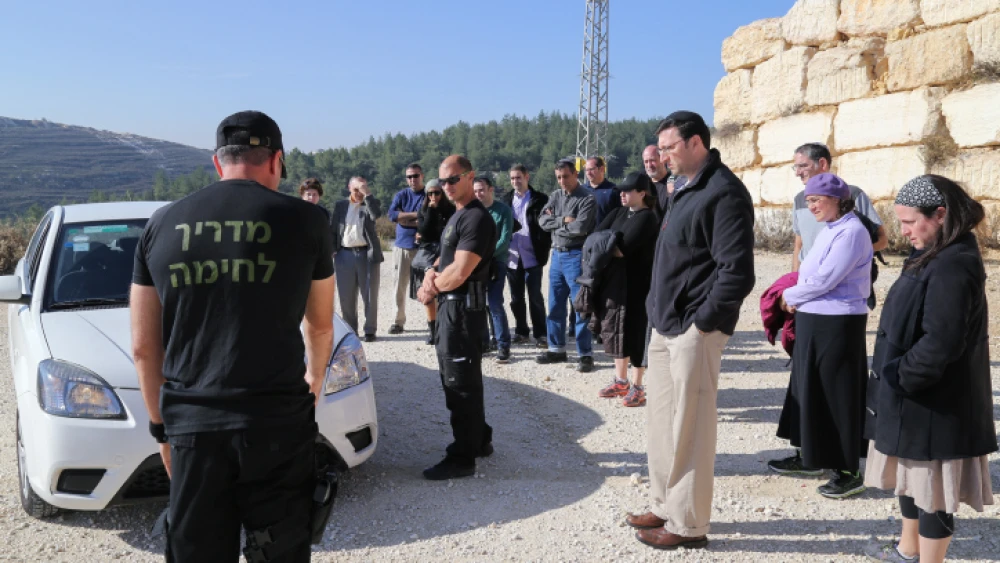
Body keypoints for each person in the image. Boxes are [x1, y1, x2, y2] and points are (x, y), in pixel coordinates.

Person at [131, 110, 335, 562]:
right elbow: (320, 325)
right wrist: (314, 387)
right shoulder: (308, 221)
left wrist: (162, 431)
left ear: (218, 162)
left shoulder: (162, 224)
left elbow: (145, 348)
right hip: (278, 421)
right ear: (277, 161)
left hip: (194, 427)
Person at [628, 111, 755, 551]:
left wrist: (701, 325)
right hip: (665, 325)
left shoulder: (724, 194)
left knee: (691, 429)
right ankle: (664, 504)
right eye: (659, 148)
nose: (662, 155)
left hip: (692, 330)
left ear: (697, 142)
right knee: (662, 424)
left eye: (669, 147)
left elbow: (736, 274)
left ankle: (688, 525)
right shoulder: (681, 189)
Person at [864, 175, 996, 563]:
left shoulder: (954, 264)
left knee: (934, 495)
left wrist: (898, 376)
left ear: (940, 215)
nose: (903, 232)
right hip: (915, 398)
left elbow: (941, 342)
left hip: (936, 402)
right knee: (911, 483)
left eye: (909, 222)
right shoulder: (933, 252)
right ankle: (908, 551)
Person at [769, 173, 873, 500]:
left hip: (838, 323)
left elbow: (826, 278)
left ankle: (848, 471)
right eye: (809, 199)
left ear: (837, 200)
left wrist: (791, 296)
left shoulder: (853, 232)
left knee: (835, 392)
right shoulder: (831, 229)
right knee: (808, 387)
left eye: (816, 200)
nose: (810, 205)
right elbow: (809, 271)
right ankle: (810, 456)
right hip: (816, 319)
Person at [416, 155, 496, 480]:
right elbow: (443, 258)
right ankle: (479, 439)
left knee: (458, 382)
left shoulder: (476, 218)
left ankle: (462, 457)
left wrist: (430, 290)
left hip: (462, 308)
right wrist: (429, 276)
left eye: (453, 180)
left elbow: (460, 272)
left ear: (469, 177)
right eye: (442, 182)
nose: (446, 187)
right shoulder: (459, 215)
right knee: (465, 380)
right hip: (453, 308)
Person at [592, 172, 659, 407]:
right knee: (617, 329)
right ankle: (621, 381)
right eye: (621, 190)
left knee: (636, 332)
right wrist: (607, 244)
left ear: (642, 193)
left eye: (628, 190)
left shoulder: (647, 218)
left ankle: (638, 386)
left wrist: (607, 245)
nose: (622, 194)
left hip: (638, 285)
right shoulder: (619, 212)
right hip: (616, 282)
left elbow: (621, 249)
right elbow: (596, 237)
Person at [536, 159, 597, 372]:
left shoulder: (587, 198)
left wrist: (557, 224)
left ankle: (585, 354)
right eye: (559, 177)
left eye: (566, 176)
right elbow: (542, 221)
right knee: (554, 305)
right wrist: (563, 221)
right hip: (557, 256)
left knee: (580, 306)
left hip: (576, 256)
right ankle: (556, 349)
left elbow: (580, 228)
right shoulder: (555, 196)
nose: (562, 181)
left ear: (575, 174)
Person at [791, 143, 887, 272]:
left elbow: (882, 240)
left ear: (823, 164)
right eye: (795, 167)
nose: (797, 173)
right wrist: (793, 278)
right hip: (809, 282)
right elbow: (799, 246)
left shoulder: (853, 194)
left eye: (803, 166)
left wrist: (850, 255)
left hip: (847, 283)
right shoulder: (798, 200)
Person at [502, 164, 551, 348]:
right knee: (516, 298)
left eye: (518, 177)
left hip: (533, 256)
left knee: (535, 297)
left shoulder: (540, 199)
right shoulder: (505, 200)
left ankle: (541, 334)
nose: (515, 181)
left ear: (527, 177)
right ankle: (521, 332)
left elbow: (546, 228)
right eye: (513, 178)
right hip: (512, 257)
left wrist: (544, 249)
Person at [331, 175, 383, 342]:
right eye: (356, 190)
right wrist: (332, 250)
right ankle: (350, 330)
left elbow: (376, 215)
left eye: (362, 189)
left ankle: (370, 330)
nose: (359, 193)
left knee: (369, 295)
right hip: (344, 254)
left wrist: (367, 194)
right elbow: (333, 229)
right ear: (349, 188)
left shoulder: (370, 203)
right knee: (346, 296)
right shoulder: (340, 206)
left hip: (366, 253)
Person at [473, 176, 514, 363]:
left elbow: (504, 241)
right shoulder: (473, 211)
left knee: (495, 303)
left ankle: (503, 345)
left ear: (491, 190)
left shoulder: (503, 211)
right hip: (476, 264)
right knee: (479, 304)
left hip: (496, 262)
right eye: (475, 191)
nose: (478, 194)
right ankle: (483, 342)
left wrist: (483, 256)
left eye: (481, 190)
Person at [413, 178, 455, 345]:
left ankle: (446, 331)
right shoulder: (423, 210)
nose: (433, 196)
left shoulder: (451, 210)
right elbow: (424, 232)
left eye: (436, 192)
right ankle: (433, 332)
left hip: (445, 253)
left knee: (445, 294)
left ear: (442, 193)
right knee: (428, 296)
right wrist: (430, 211)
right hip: (428, 253)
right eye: (430, 193)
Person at [387, 163, 427, 334]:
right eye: (409, 176)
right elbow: (392, 215)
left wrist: (405, 219)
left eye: (415, 176)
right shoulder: (401, 195)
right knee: (399, 286)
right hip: (402, 246)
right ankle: (398, 321)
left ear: (422, 176)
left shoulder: (429, 194)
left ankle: (432, 321)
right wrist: (417, 216)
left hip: (424, 247)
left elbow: (430, 219)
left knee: (428, 285)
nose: (412, 179)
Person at [584, 156, 620, 225]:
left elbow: (620, 216)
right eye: (586, 170)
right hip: (584, 235)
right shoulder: (581, 190)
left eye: (591, 169)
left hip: (605, 234)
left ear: (602, 169)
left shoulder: (614, 190)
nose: (588, 173)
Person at [642, 145, 671, 219]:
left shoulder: (674, 183)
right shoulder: (642, 186)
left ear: (662, 159)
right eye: (646, 162)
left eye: (652, 160)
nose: (649, 165)